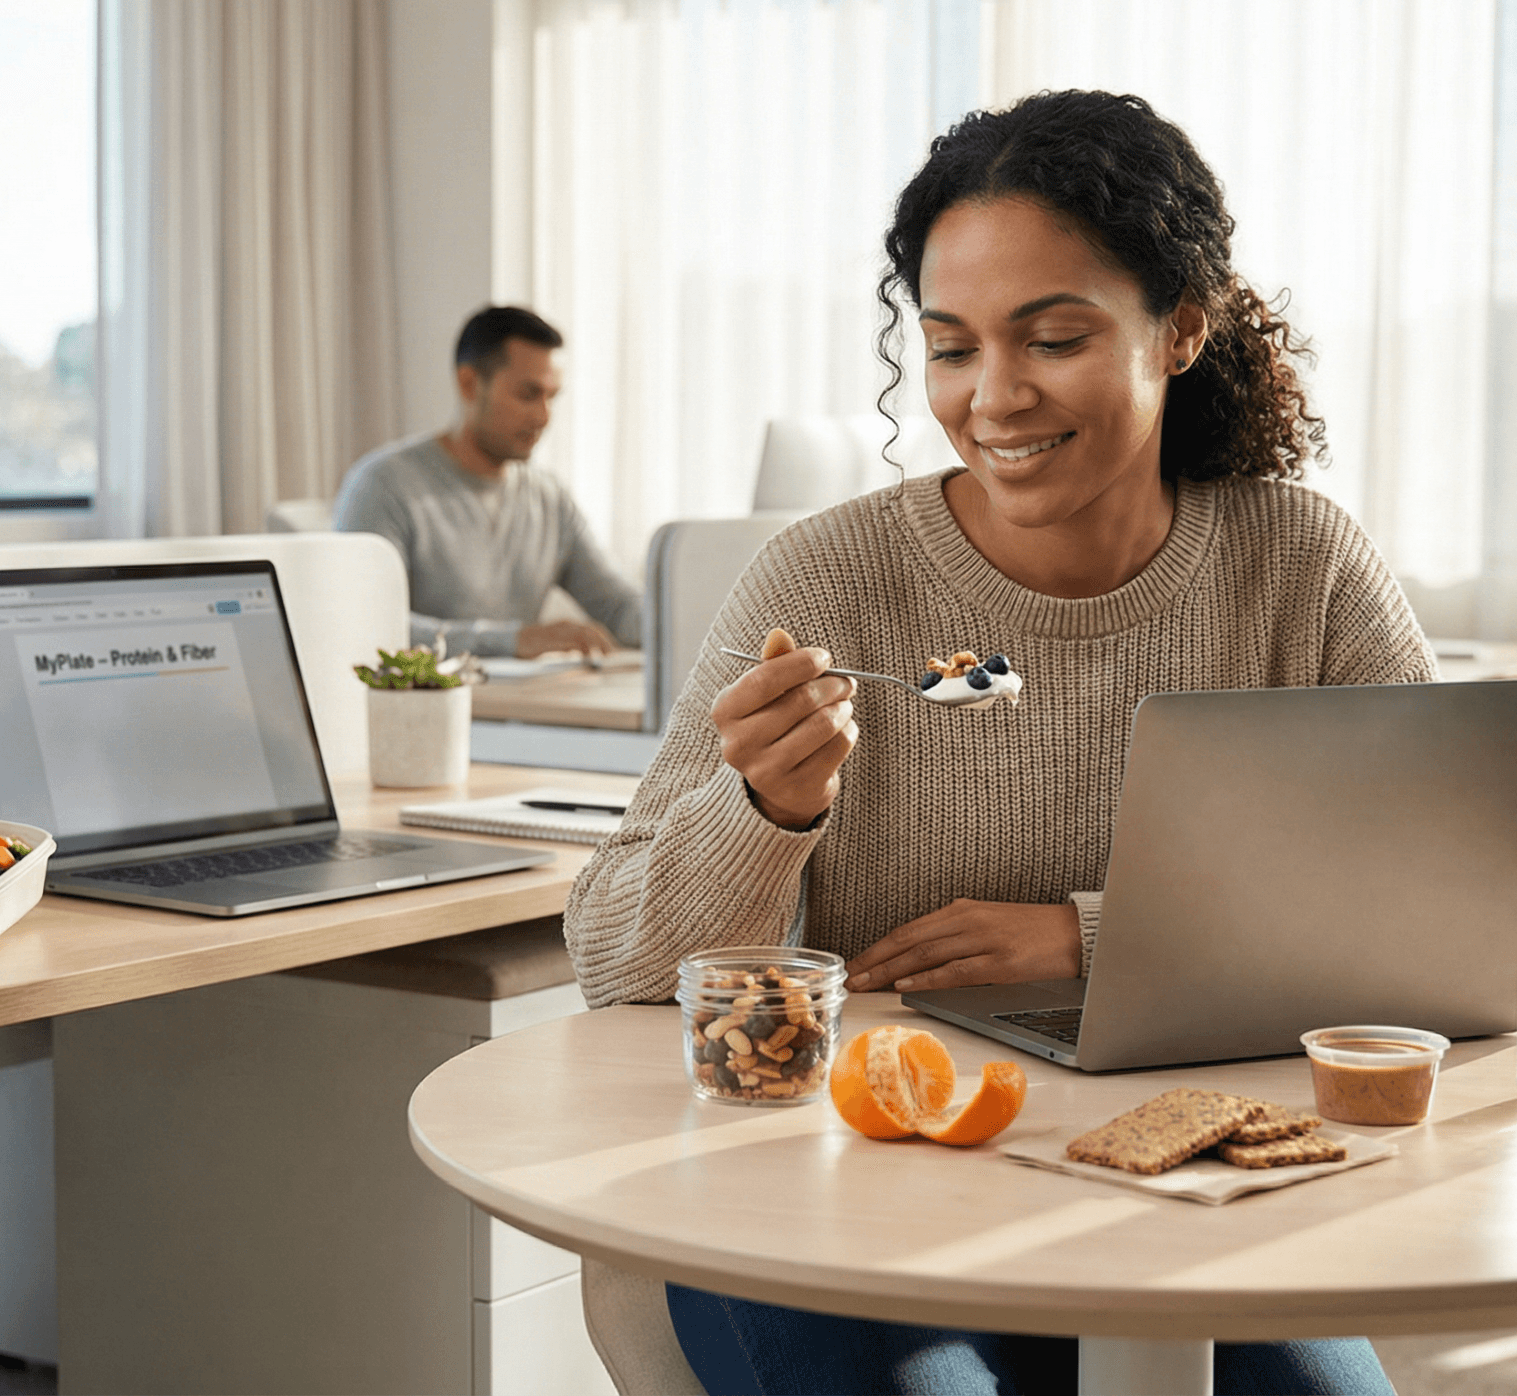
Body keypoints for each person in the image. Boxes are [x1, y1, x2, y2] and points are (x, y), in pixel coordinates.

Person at [564, 90, 1422, 1396]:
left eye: (1054, 337)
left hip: (1166, 1186)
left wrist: (1096, 935)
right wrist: (763, 813)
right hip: (824, 1199)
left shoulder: (1296, 569)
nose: (994, 396)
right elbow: (611, 952)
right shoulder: (829, 578)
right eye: (952, 347)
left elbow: (1437, 907)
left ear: (1183, 325)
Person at [333, 306, 643, 659]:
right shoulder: (383, 486)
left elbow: (619, 608)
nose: (543, 416)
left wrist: (696, 625)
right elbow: (363, 624)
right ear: (469, 384)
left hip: (523, 705)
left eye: (551, 397)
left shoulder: (548, 498)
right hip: (429, 707)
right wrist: (512, 641)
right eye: (528, 394)